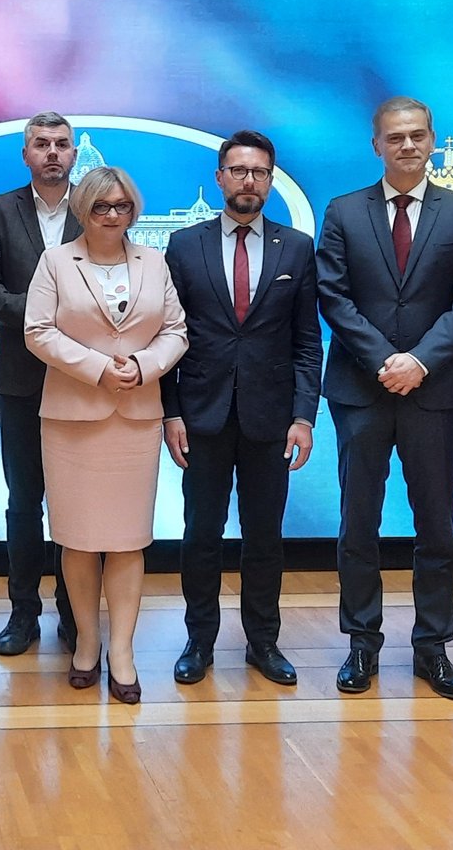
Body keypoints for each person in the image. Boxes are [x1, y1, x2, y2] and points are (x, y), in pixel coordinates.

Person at [316, 96, 453, 701]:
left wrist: (418, 361)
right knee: (357, 523)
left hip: (434, 389)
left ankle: (433, 648)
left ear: (433, 140)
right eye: (395, 138)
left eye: (417, 135)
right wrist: (384, 360)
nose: (408, 146)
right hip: (360, 391)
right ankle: (361, 643)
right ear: (377, 146)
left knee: (437, 525)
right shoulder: (343, 211)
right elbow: (334, 297)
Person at [162, 130, 321, 688]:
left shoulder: (296, 247)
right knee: (200, 535)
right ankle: (199, 641)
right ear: (220, 177)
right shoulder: (185, 245)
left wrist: (304, 416)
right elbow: (168, 335)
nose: (248, 180)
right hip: (201, 415)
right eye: (238, 170)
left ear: (270, 181)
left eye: (259, 172)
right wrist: (170, 412)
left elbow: (307, 341)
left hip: (271, 418)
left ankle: (263, 642)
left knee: (264, 537)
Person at [25, 166, 187, 704]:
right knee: (77, 538)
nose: (113, 215)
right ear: (83, 210)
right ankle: (87, 644)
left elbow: (176, 330)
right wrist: (97, 368)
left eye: (122, 206)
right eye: (101, 206)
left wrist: (143, 367)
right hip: (72, 419)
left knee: (127, 540)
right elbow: (36, 330)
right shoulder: (55, 261)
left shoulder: (154, 262)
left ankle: (122, 651)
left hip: (135, 418)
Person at [0, 112, 80, 656]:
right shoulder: (0, 209)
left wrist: (71, 318)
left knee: (77, 502)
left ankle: (75, 611)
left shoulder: (96, 206)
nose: (52, 152)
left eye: (61, 144)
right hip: (19, 377)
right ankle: (23, 613)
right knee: (24, 501)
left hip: (84, 378)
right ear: (26, 154)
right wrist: (40, 316)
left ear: (74, 154)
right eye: (42, 144)